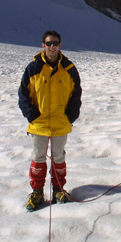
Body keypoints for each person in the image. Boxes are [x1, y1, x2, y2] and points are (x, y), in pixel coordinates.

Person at [18, 30, 82, 211]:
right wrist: (32, 115)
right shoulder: (33, 68)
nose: (52, 47)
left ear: (60, 45)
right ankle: (37, 191)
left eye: (55, 43)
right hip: (39, 124)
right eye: (48, 43)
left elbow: (76, 94)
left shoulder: (69, 68)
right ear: (43, 46)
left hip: (61, 122)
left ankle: (58, 189)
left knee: (59, 157)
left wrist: (71, 116)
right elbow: (23, 94)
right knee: (38, 158)